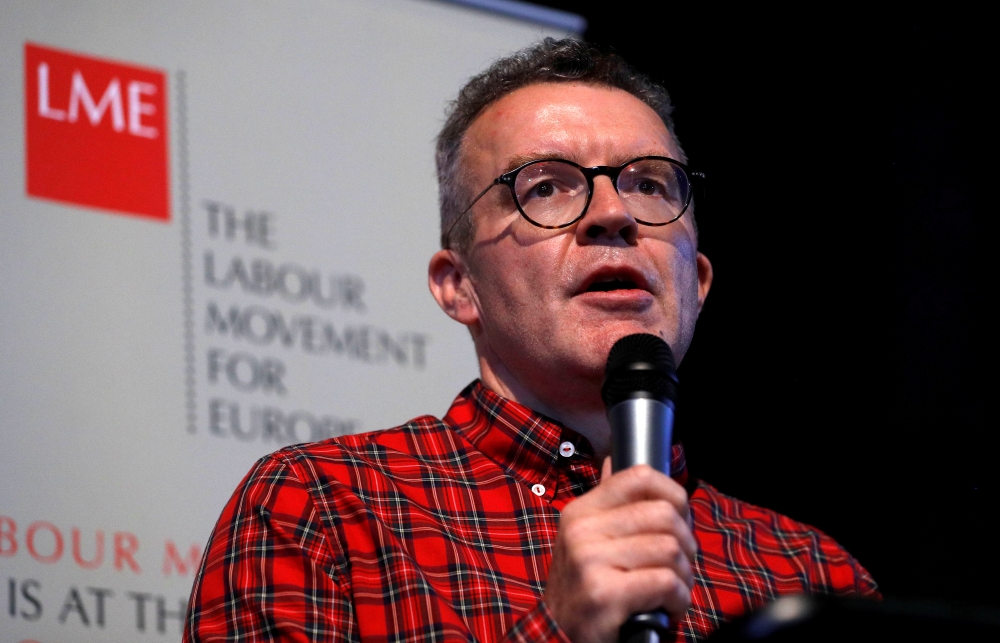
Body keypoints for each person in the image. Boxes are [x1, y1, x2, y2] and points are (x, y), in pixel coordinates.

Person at [184, 38, 877, 643]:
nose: (612, 214)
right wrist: (559, 630)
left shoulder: (809, 573)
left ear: (696, 282)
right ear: (458, 286)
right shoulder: (324, 511)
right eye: (546, 187)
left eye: (650, 185)